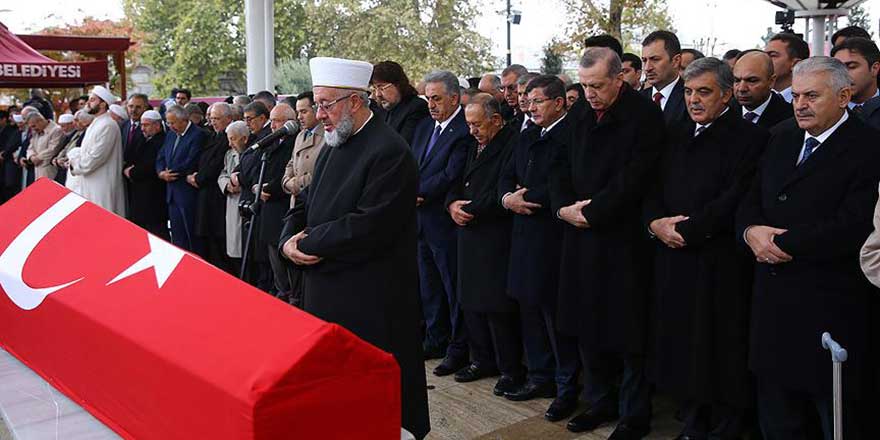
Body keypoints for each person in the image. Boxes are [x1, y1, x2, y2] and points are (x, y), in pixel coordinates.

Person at [279, 57, 429, 439]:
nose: (319, 115)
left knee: (376, 406)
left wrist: (306, 242)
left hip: (370, 300)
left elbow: (368, 225)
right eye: (317, 104)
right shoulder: (335, 141)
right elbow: (307, 202)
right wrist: (286, 240)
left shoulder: (389, 151)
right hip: (327, 292)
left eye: (326, 104)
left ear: (356, 101)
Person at [736, 56, 880, 440]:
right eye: (797, 95)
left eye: (812, 96)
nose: (800, 104)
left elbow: (854, 223)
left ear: (844, 97)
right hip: (772, 306)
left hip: (829, 306)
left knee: (834, 417)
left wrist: (777, 242)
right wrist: (750, 232)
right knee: (777, 417)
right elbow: (751, 196)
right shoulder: (781, 136)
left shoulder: (869, 146)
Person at [646, 57, 769, 440]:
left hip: (718, 261)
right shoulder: (675, 131)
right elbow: (650, 185)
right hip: (672, 254)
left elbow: (736, 195)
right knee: (683, 342)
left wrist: (689, 230)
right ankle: (693, 415)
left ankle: (727, 422)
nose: (694, 100)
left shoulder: (750, 138)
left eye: (704, 92)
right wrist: (655, 223)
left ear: (726, 95)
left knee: (719, 344)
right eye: (688, 91)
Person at [551, 47, 664, 438]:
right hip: (579, 236)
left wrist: (593, 211)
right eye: (584, 86)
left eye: (597, 85)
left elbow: (637, 177)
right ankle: (599, 402)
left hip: (622, 241)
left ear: (620, 79)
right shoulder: (581, 111)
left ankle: (634, 414)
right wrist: (563, 207)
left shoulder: (645, 116)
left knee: (629, 333)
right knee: (587, 325)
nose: (590, 94)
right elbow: (558, 164)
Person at [498, 75, 582, 422]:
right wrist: (507, 198)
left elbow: (563, 185)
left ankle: (567, 388)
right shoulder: (528, 134)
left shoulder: (572, 135)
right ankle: (539, 376)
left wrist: (524, 197)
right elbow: (506, 175)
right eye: (528, 101)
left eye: (537, 101)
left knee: (554, 317)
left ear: (559, 103)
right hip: (522, 235)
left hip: (553, 238)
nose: (529, 107)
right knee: (529, 310)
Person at [445, 93, 524, 397]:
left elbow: (505, 190)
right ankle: (481, 359)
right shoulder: (470, 144)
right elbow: (455, 180)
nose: (472, 130)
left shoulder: (511, 143)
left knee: (497, 307)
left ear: (496, 120)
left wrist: (471, 208)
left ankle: (509, 369)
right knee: (471, 301)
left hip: (494, 233)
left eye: (477, 124)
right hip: (468, 232)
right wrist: (452, 204)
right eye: (468, 124)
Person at [409, 70, 471, 376]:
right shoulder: (424, 126)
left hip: (444, 222)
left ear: (454, 98)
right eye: (428, 98)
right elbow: (413, 164)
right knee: (429, 285)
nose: (431, 105)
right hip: (420, 221)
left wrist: (418, 192)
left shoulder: (464, 129)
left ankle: (459, 348)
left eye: (436, 98)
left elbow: (451, 173)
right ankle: (436, 338)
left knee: (451, 287)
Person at [281, 91, 325, 306]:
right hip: (295, 201)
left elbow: (321, 173)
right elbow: (290, 164)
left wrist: (295, 184)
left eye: (304, 111)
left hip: (313, 203)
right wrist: (287, 182)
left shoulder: (327, 136)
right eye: (297, 112)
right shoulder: (300, 135)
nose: (299, 117)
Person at [257, 103, 298, 299]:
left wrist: (267, 188)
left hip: (283, 207)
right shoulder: (272, 143)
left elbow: (286, 173)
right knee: (275, 267)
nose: (272, 126)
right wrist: (257, 186)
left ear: (289, 122)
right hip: (268, 211)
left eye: (277, 121)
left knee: (286, 272)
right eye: (271, 121)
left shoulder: (294, 142)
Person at [67, 86, 126, 216]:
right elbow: (85, 152)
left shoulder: (108, 125)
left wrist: (74, 165)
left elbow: (95, 158)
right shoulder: (96, 123)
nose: (88, 103)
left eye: (92, 100)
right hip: (89, 183)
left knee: (103, 219)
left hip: (101, 185)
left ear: (103, 104)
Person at [189, 103, 233, 271]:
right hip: (205, 195)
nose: (213, 122)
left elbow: (215, 166)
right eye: (212, 118)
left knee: (219, 244)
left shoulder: (228, 138)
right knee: (208, 242)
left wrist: (198, 178)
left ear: (228, 119)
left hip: (217, 197)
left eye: (217, 118)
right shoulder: (212, 136)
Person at [156, 104, 205, 251]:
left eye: (173, 123)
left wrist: (171, 172)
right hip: (172, 193)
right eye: (168, 123)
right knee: (177, 238)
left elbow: (191, 160)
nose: (170, 126)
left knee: (192, 236)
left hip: (187, 192)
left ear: (184, 120)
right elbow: (161, 156)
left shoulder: (197, 134)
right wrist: (161, 172)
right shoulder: (171, 135)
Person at [123, 110, 168, 238]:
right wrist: (127, 169)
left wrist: (131, 172)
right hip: (139, 194)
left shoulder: (161, 141)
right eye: (142, 125)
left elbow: (151, 166)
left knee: (156, 233)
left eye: (146, 125)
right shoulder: (142, 139)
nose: (142, 128)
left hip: (154, 195)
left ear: (157, 126)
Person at [371, 60, 429, 146]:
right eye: (375, 88)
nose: (377, 94)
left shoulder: (417, 107)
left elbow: (402, 146)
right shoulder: (382, 109)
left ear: (398, 85)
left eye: (381, 87)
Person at [734, 50, 794, 128]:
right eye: (737, 80)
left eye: (752, 81)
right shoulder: (723, 111)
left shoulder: (789, 116)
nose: (741, 88)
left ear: (771, 81)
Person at [641, 30, 688, 127]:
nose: (647, 68)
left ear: (676, 61)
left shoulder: (690, 98)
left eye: (655, 59)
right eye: (644, 60)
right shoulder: (637, 100)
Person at [218, 120, 248, 270]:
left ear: (244, 138)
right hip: (232, 201)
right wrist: (227, 185)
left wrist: (239, 184)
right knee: (235, 250)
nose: (230, 144)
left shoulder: (253, 153)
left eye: (233, 139)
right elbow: (223, 173)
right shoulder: (230, 154)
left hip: (245, 201)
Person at [832, 37, 880, 129]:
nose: (843, 74)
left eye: (851, 67)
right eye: (837, 68)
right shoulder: (827, 111)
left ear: (874, 68)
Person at [765, 33, 810, 103]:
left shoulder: (810, 103)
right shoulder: (757, 100)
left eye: (773, 55)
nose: (764, 60)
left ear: (796, 64)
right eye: (764, 55)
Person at [59, 110, 95, 195]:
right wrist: (58, 158)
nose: (75, 124)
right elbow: (66, 147)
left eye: (77, 121)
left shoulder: (88, 132)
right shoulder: (76, 133)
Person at [24, 111, 63, 180]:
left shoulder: (56, 130)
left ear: (40, 121)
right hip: (37, 170)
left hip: (50, 170)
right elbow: (30, 148)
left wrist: (38, 158)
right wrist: (31, 157)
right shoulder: (35, 132)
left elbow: (53, 149)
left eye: (34, 126)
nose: (33, 129)